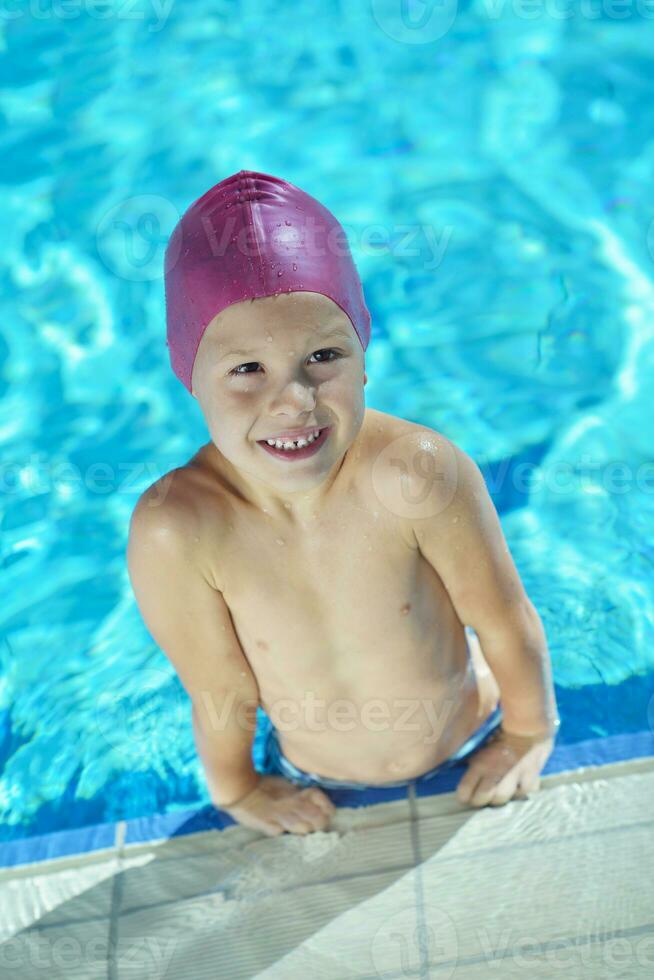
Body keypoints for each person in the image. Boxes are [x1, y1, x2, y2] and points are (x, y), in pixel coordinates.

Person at [127, 169, 560, 837]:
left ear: (363, 353)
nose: (293, 401)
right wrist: (239, 789)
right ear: (189, 375)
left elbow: (504, 619)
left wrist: (530, 731)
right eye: (246, 370)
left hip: (472, 734)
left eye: (323, 355)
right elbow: (219, 687)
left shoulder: (418, 473)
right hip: (312, 773)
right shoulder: (179, 529)